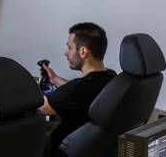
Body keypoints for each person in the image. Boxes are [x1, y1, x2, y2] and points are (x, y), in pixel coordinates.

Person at [38, 22, 117, 156]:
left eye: (69, 48)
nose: (66, 53)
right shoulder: (111, 77)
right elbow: (82, 93)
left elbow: (39, 108)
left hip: (59, 151)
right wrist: (55, 79)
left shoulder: (78, 88)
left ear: (83, 52)